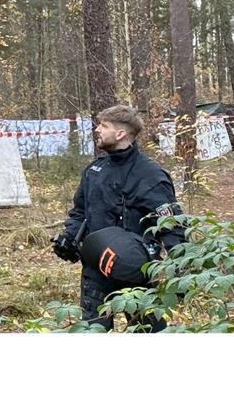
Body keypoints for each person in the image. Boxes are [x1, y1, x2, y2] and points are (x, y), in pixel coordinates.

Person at [51, 105, 185, 332]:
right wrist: (69, 237)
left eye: (104, 126)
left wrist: (181, 271)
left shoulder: (150, 175)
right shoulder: (94, 170)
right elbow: (80, 212)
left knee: (150, 331)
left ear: (121, 133)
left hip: (136, 270)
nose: (97, 130)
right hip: (95, 268)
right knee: (93, 331)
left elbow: (171, 226)